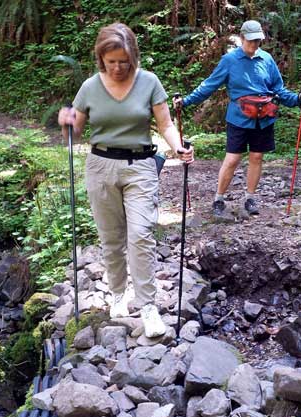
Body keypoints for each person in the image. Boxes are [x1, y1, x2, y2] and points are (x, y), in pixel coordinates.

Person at [58, 22, 193, 338]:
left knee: (141, 235)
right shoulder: (90, 86)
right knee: (111, 237)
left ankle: (148, 307)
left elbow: (165, 124)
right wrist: (67, 120)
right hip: (101, 166)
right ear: (101, 58)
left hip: (141, 165)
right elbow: (75, 128)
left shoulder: (149, 82)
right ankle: (117, 293)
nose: (117, 67)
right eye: (111, 61)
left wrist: (178, 146)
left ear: (133, 55)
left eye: (123, 61)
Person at [174, 20, 301, 219]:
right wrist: (186, 101)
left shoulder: (266, 59)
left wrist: (297, 100)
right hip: (238, 118)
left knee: (256, 157)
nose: (255, 45)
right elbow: (209, 85)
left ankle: (249, 198)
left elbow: (278, 90)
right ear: (242, 38)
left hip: (264, 118)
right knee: (233, 158)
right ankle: (219, 199)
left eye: (258, 41)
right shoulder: (229, 60)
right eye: (251, 40)